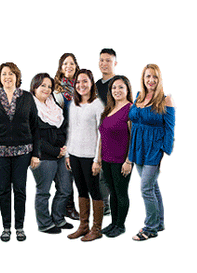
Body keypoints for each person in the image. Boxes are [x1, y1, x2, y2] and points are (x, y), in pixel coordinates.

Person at [0, 62, 40, 242]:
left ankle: (20, 227)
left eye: (11, 74)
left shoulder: (27, 97)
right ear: (0, 78)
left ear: (17, 77)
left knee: (20, 190)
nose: (7, 77)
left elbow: (36, 128)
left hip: (23, 152)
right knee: (4, 190)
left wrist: (36, 153)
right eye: (4, 74)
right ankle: (6, 227)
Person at [129, 64, 174, 241]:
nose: (151, 80)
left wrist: (165, 153)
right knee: (152, 186)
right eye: (148, 76)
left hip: (154, 147)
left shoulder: (165, 99)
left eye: (155, 77)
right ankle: (159, 222)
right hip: (137, 146)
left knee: (146, 188)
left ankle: (150, 228)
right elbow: (132, 120)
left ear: (159, 79)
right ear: (143, 78)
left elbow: (170, 129)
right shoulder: (139, 96)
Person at [29, 73, 74, 234]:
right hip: (43, 156)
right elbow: (34, 137)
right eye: (43, 85)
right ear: (34, 87)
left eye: (49, 86)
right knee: (44, 191)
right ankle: (44, 223)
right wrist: (56, 151)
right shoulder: (30, 106)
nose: (47, 89)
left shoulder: (54, 104)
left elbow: (63, 128)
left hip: (61, 154)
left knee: (65, 189)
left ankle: (58, 219)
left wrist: (63, 148)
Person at [65, 69, 105, 242]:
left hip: (90, 157)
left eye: (85, 81)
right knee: (80, 190)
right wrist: (67, 153)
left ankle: (96, 229)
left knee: (94, 191)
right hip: (74, 154)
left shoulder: (98, 105)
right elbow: (71, 129)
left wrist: (98, 159)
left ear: (91, 83)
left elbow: (102, 134)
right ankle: (83, 226)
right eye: (78, 82)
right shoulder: (74, 104)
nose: (81, 85)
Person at [98, 75, 134, 238]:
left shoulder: (130, 110)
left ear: (127, 90)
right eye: (114, 88)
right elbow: (102, 136)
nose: (117, 90)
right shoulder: (109, 109)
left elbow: (134, 139)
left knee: (121, 193)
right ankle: (113, 223)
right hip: (106, 159)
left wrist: (129, 161)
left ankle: (120, 225)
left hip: (121, 161)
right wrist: (98, 159)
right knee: (112, 192)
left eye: (121, 87)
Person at [53, 53, 81, 221]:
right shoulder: (56, 88)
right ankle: (67, 207)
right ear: (60, 67)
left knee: (80, 172)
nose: (68, 66)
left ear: (76, 66)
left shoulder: (82, 85)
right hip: (63, 135)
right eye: (65, 64)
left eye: (71, 63)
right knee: (66, 173)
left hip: (80, 134)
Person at [96, 48, 118, 216]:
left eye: (108, 60)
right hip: (95, 132)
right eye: (102, 60)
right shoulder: (95, 85)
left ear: (115, 63)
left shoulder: (119, 84)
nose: (104, 63)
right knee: (96, 170)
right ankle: (100, 203)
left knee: (107, 173)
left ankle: (107, 205)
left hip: (112, 134)